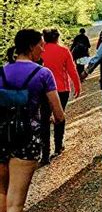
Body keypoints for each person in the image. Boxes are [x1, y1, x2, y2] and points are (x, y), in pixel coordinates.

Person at [0, 29, 65, 212]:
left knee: (2, 194)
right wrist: (51, 119)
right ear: (31, 46)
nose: (43, 49)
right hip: (26, 142)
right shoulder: (43, 74)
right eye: (40, 45)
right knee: (16, 202)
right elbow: (59, 114)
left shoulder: (1, 72)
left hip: (0, 139)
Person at [40, 29, 81, 164]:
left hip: (43, 90)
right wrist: (77, 85)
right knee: (60, 116)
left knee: (44, 119)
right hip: (61, 89)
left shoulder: (39, 51)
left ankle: (45, 153)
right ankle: (58, 146)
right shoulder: (63, 50)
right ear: (58, 37)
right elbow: (72, 69)